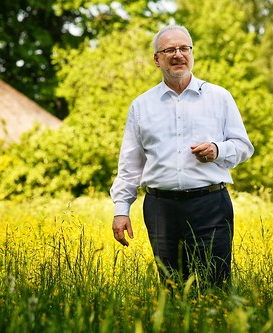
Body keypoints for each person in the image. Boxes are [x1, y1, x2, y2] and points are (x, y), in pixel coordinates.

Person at [110, 24, 254, 288]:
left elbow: (244, 146)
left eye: (184, 48)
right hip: (161, 210)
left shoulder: (219, 97)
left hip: (211, 206)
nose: (178, 54)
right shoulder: (141, 106)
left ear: (192, 53)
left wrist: (218, 150)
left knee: (215, 287)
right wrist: (121, 210)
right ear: (157, 59)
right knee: (173, 287)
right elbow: (129, 166)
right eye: (169, 50)